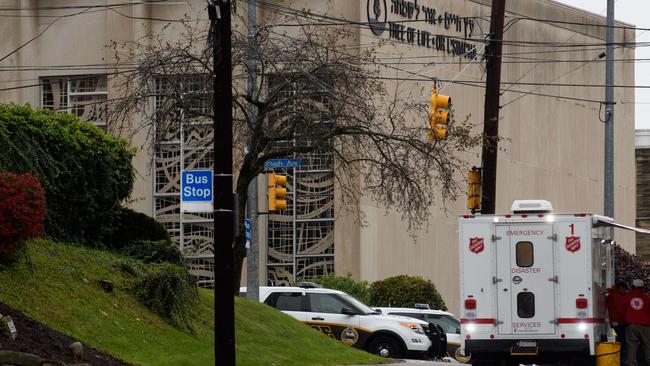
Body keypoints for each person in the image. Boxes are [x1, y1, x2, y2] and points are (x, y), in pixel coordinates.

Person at [623, 279, 650, 366]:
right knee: (648, 346)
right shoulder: (647, 298)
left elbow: (622, 310)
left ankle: (631, 363)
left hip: (631, 325)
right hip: (645, 326)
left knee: (631, 346)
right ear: (642, 287)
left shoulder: (627, 297)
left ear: (632, 286)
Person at [608, 281, 631, 359]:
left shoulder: (612, 295)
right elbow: (621, 310)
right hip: (619, 322)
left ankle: (617, 358)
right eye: (625, 289)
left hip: (614, 322)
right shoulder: (616, 296)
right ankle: (620, 359)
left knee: (616, 340)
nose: (625, 291)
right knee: (621, 341)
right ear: (621, 288)